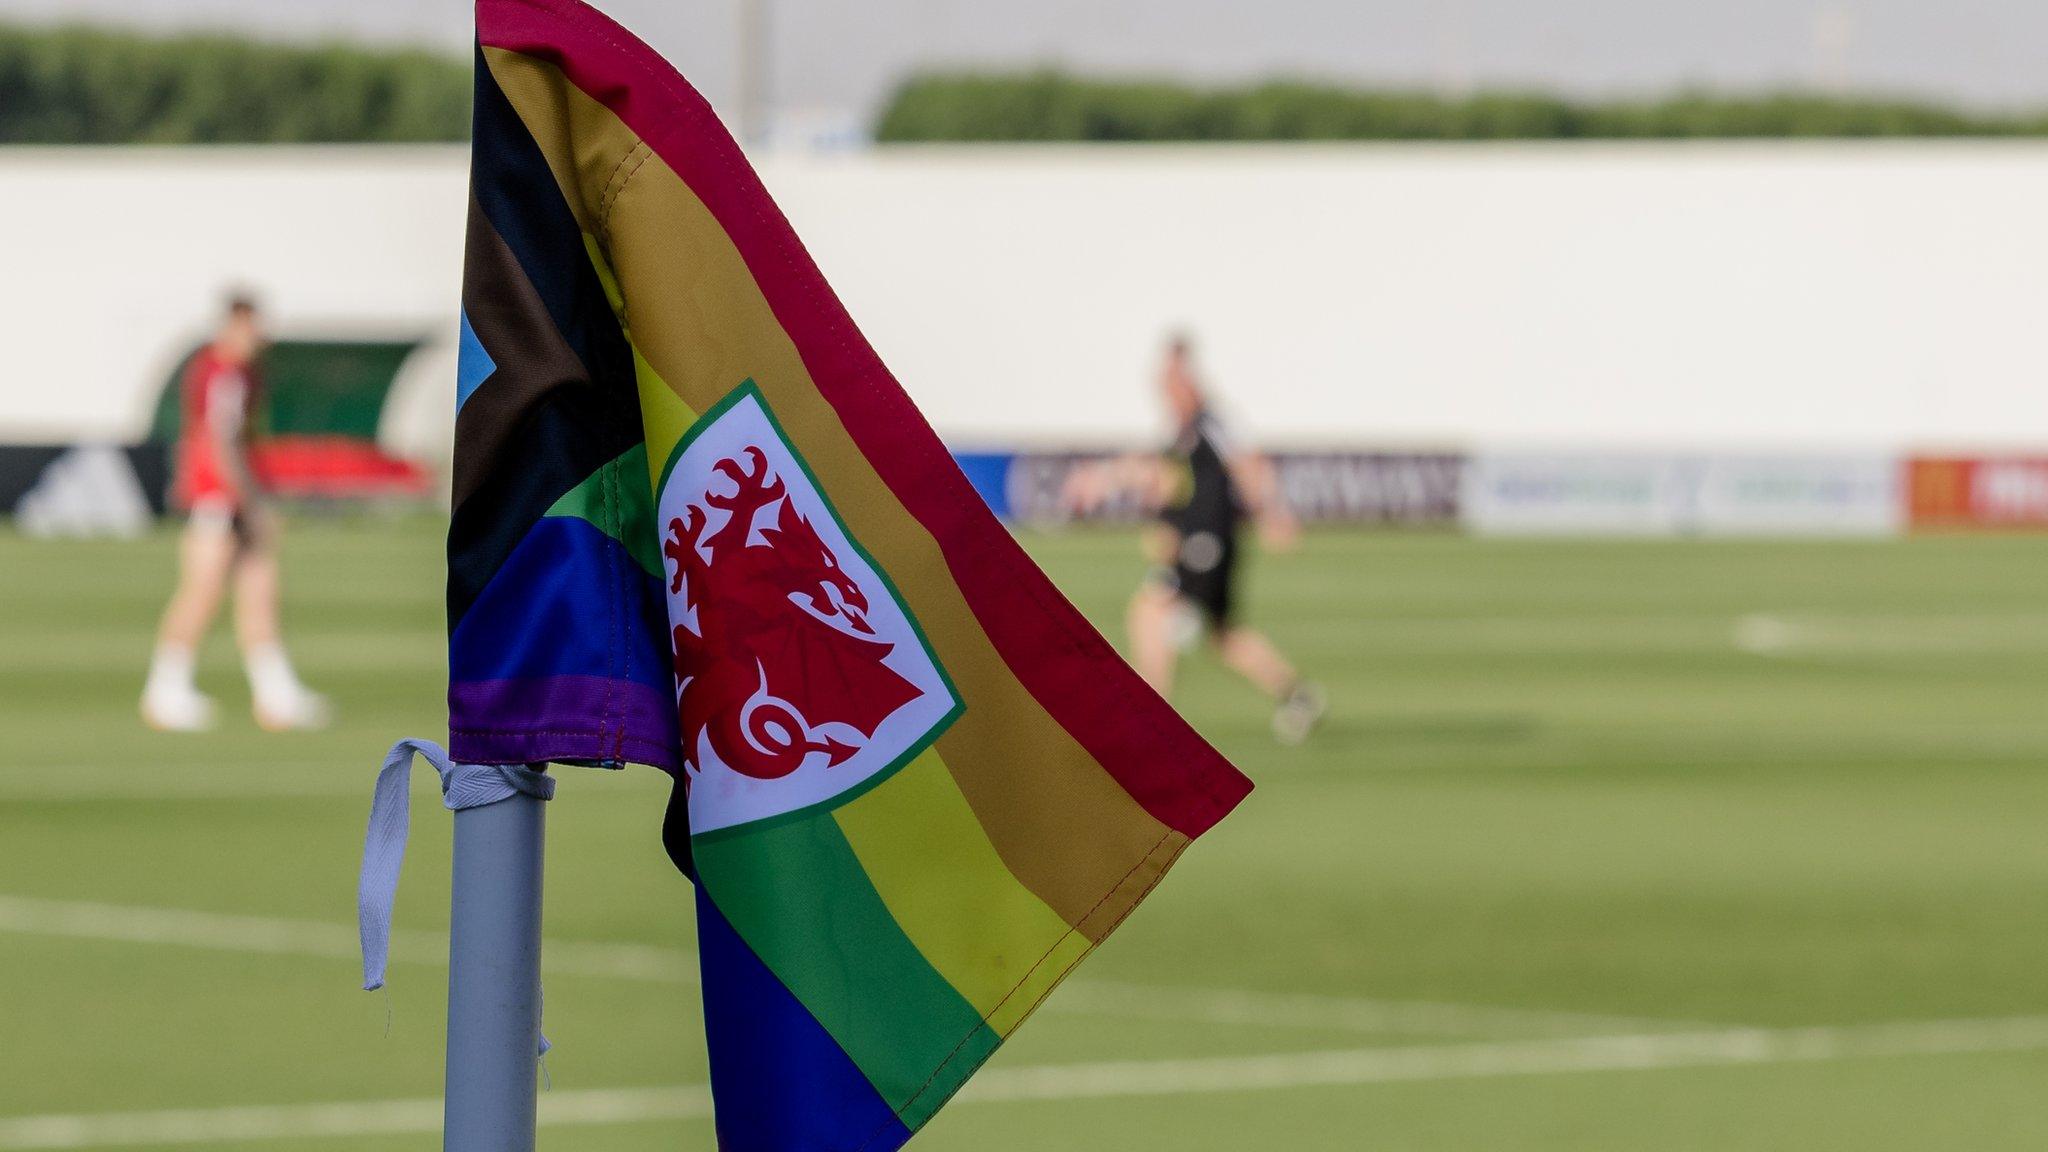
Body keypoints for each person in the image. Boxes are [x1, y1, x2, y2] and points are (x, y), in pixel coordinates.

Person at [1124, 333, 1325, 744]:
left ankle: (1149, 724)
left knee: (1150, 611)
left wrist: (1272, 514)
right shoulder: (1181, 432)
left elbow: (1248, 464)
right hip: (1202, 541)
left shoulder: (1212, 422)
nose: (1166, 393)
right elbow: (1172, 483)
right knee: (1224, 634)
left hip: (1209, 542)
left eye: (1171, 384)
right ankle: (1297, 694)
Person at [141, 293, 329, 732]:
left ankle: (275, 693)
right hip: (218, 498)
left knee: (259, 590)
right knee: (201, 592)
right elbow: (221, 441)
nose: (256, 337)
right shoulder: (222, 372)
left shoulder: (238, 371)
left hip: (231, 497)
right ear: (230, 326)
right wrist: (253, 502)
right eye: (249, 327)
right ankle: (165, 689)